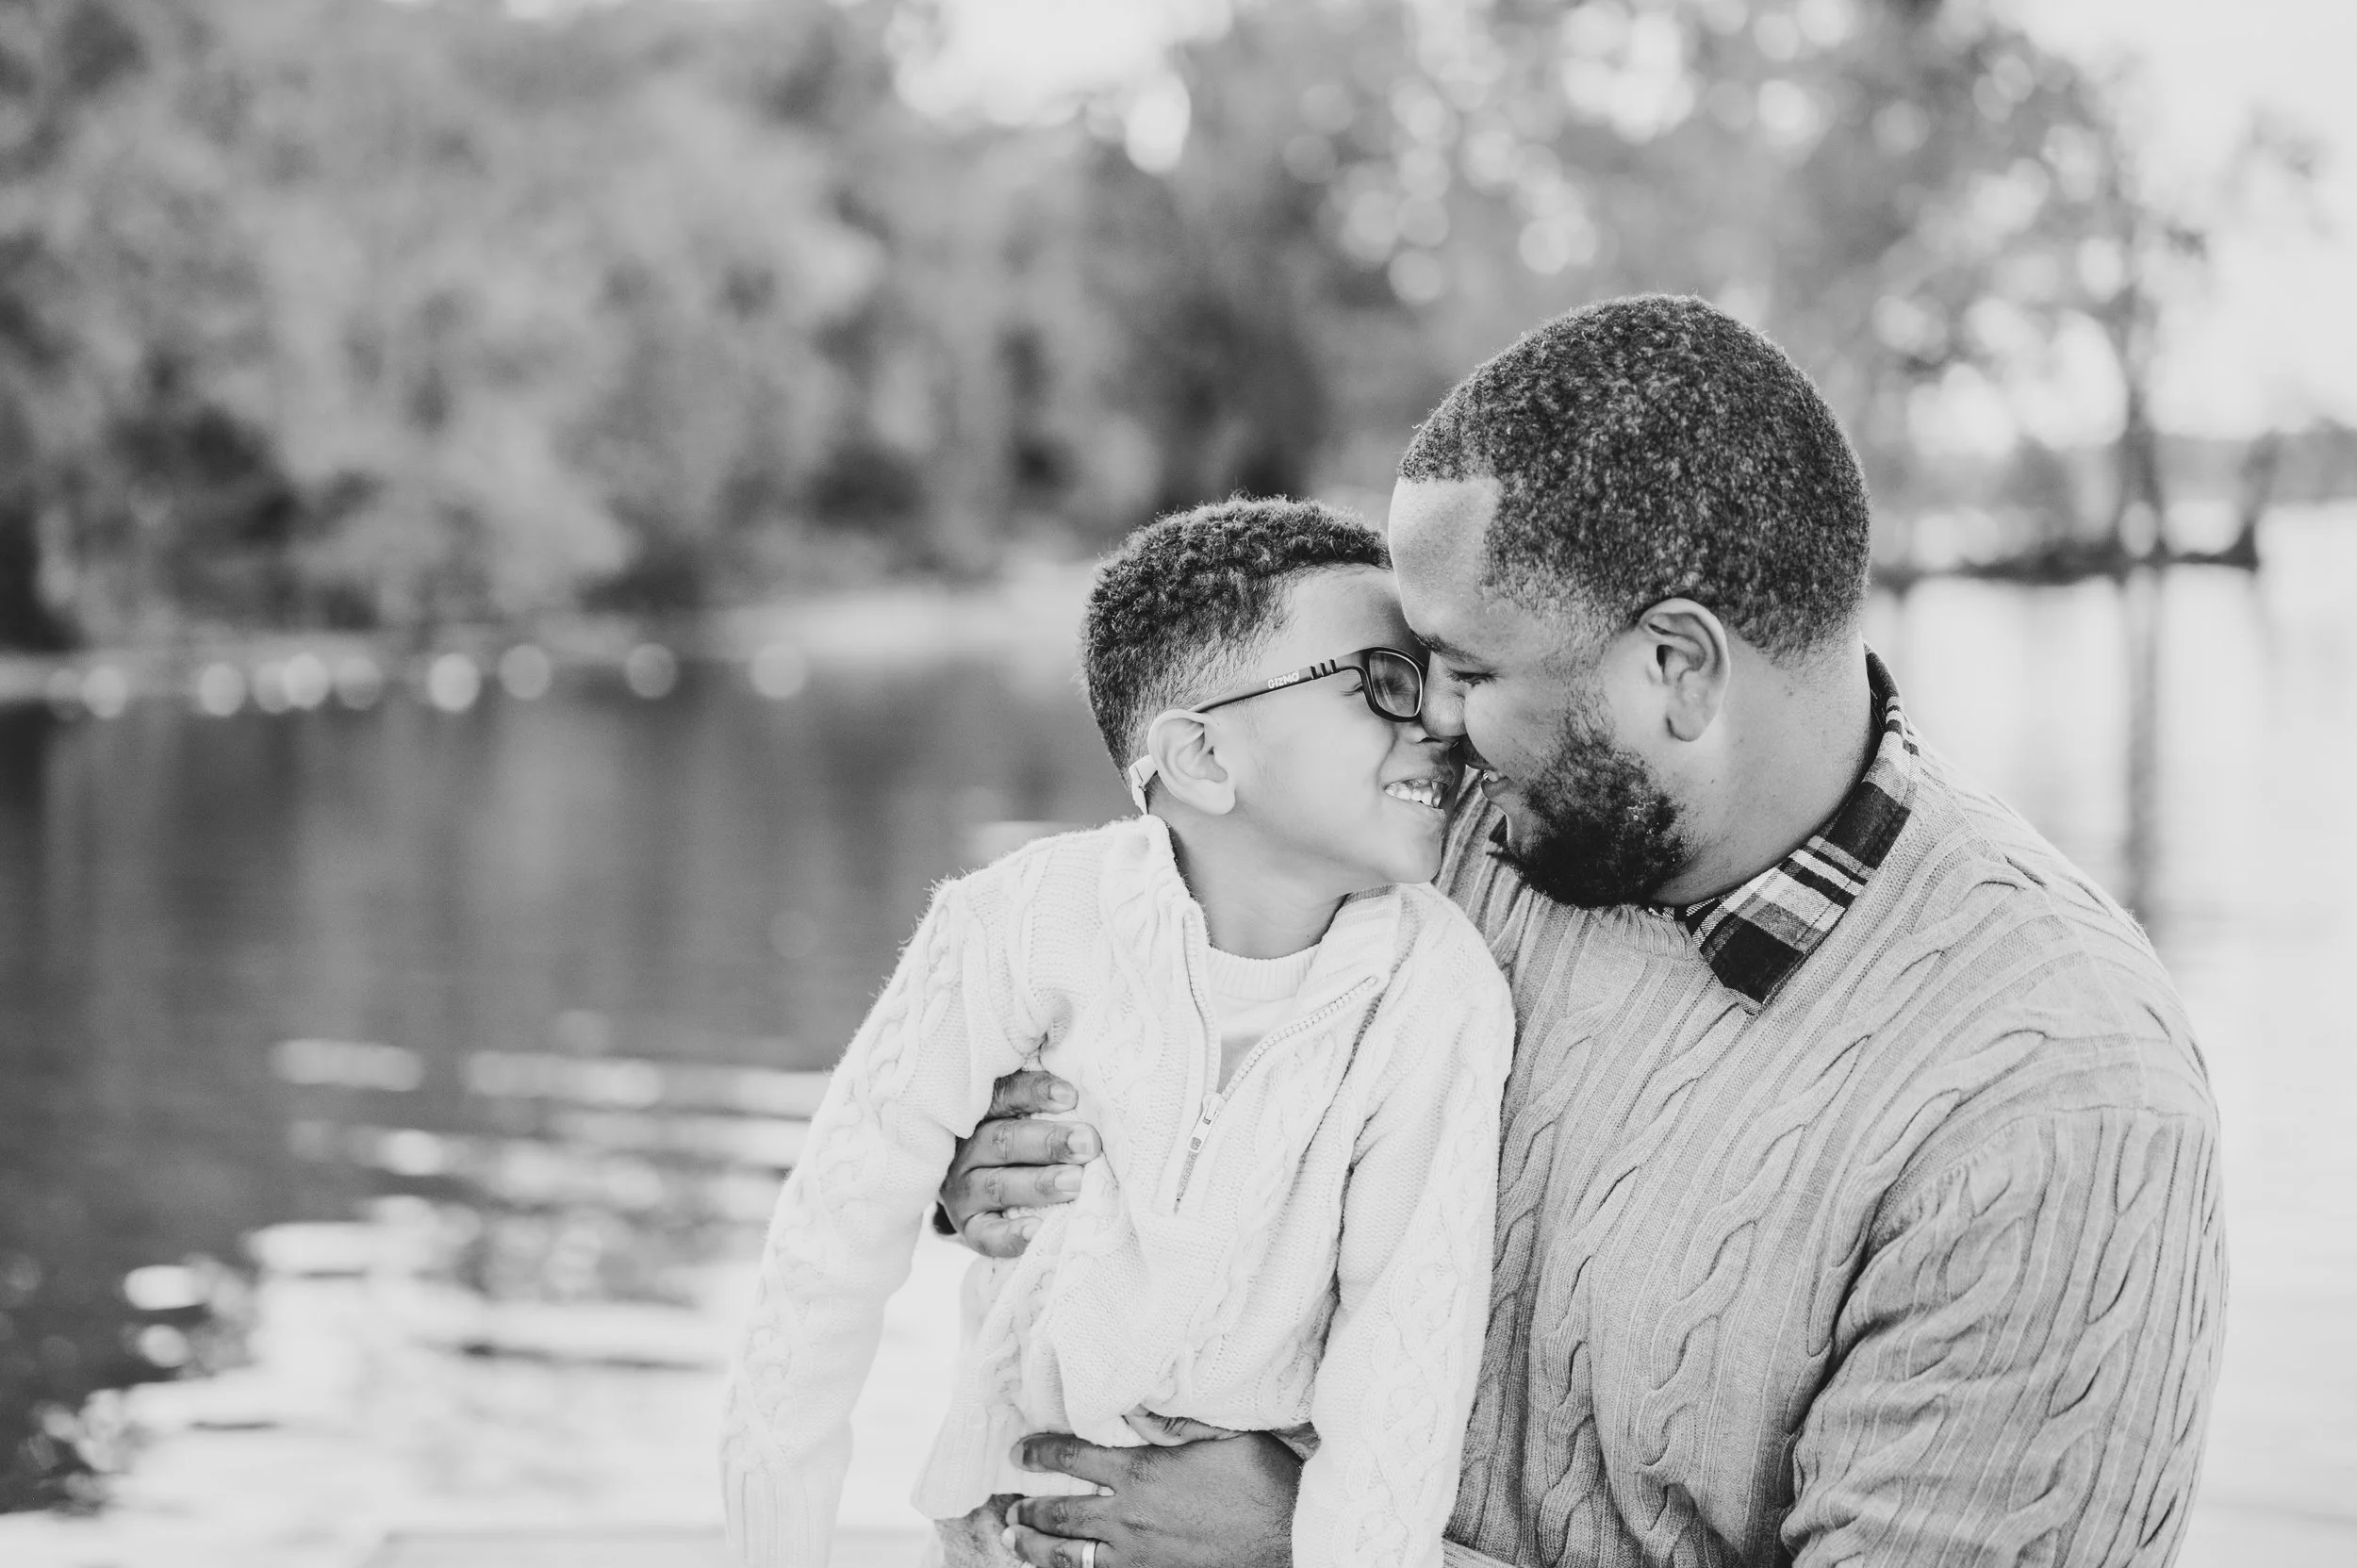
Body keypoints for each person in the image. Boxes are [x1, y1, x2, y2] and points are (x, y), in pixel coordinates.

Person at [943, 297, 2225, 1568]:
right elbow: (1127, 996)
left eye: (1467, 668)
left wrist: (1316, 1544)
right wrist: (1012, 1140)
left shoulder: (2058, 1106)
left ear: (1677, 668)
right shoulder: (1450, 831)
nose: (1422, 721)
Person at [719, 500, 1516, 1568]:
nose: (1442, 722)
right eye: (1384, 682)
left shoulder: (1436, 994)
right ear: (1200, 758)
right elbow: (825, 1261)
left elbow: (1401, 1377)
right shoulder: (1015, 927)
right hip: (1009, 1537)